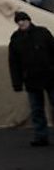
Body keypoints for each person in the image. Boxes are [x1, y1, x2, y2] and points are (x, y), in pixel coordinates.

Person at [8, 10, 54, 146]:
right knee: (36, 110)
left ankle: (41, 136)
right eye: (18, 21)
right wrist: (17, 83)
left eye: (23, 20)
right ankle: (41, 136)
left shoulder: (42, 33)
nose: (21, 23)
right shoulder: (16, 38)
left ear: (29, 20)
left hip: (50, 77)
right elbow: (14, 62)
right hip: (31, 79)